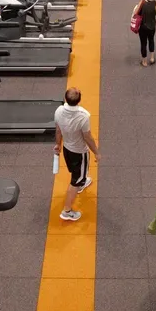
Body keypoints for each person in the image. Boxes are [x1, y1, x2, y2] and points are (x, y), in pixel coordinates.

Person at [53, 87, 99, 222]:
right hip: (79, 152)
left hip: (67, 149)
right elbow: (88, 137)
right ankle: (67, 210)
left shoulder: (59, 110)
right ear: (79, 99)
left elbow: (58, 130)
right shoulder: (83, 116)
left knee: (76, 173)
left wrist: (58, 144)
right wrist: (96, 152)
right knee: (76, 179)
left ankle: (80, 183)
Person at [133, 0, 156, 67]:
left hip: (142, 26)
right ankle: (152, 58)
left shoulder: (142, 2)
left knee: (143, 43)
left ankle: (144, 62)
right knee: (151, 40)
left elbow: (135, 13)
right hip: (152, 26)